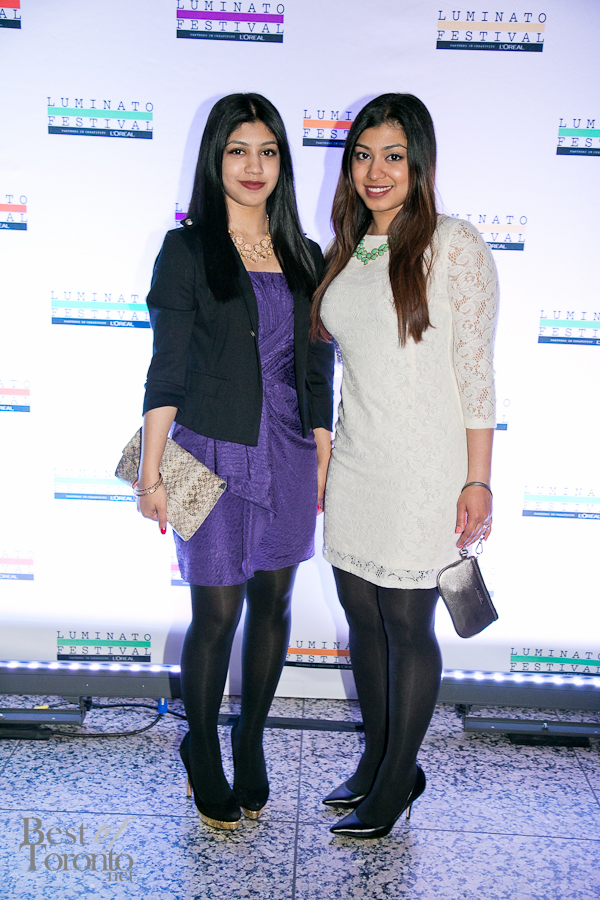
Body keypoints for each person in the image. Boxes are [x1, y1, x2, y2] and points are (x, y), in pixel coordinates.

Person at [137, 93, 334, 831]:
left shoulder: (305, 254)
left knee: (274, 604)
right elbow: (167, 369)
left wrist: (322, 452)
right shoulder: (187, 250)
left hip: (288, 451)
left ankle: (250, 739)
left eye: (268, 151)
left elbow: (317, 368)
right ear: (215, 159)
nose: (254, 166)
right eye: (238, 151)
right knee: (216, 612)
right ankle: (202, 748)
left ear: (283, 161)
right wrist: (152, 473)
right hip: (208, 450)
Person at [311, 93, 498, 838]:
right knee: (361, 615)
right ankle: (380, 760)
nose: (375, 171)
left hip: (426, 467)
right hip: (358, 461)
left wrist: (478, 478)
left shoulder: (453, 244)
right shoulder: (350, 247)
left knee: (406, 621)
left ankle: (396, 782)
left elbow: (476, 370)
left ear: (419, 163)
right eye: (363, 155)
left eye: (393, 156)